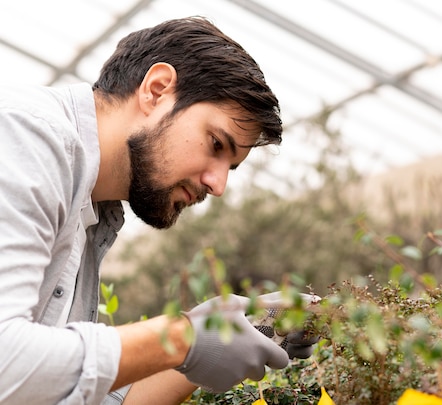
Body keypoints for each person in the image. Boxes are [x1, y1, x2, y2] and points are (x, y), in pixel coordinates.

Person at [0, 16, 318, 405]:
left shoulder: (94, 214)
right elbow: (7, 364)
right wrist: (181, 338)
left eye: (230, 167)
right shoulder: (22, 139)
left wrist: (222, 331)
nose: (218, 185)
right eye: (216, 144)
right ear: (156, 90)